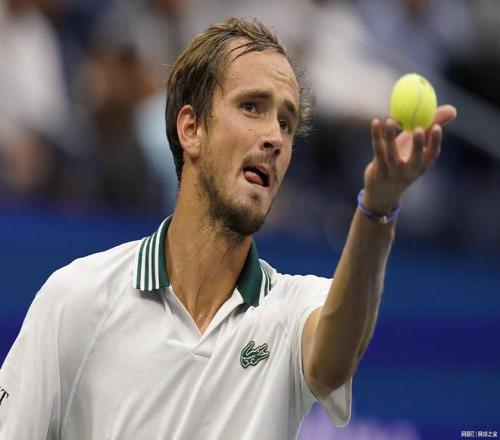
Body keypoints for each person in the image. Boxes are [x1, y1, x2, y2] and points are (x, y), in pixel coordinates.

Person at [0, 17, 456, 440]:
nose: (275, 137)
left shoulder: (293, 310)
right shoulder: (76, 299)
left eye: (286, 123)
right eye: (252, 107)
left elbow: (334, 360)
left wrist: (377, 207)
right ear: (191, 129)